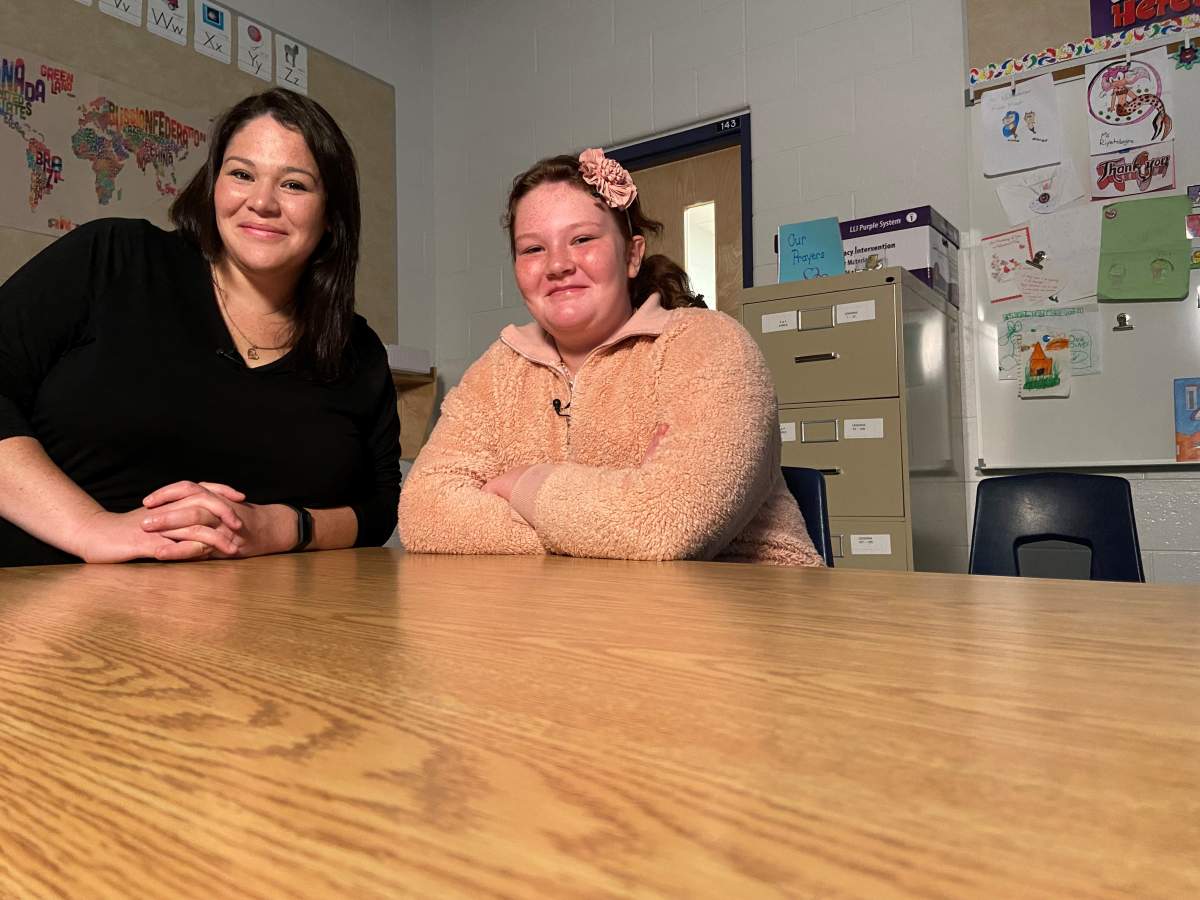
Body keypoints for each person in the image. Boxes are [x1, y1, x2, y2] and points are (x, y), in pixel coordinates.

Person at [0, 88, 400, 567]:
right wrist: (90, 527)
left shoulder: (358, 350)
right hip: (39, 607)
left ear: (331, 215)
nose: (261, 202)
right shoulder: (113, 257)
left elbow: (380, 509)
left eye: (294, 184)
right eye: (241, 174)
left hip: (255, 624)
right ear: (213, 186)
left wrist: (279, 526)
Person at [398, 149, 822, 566]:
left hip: (748, 615)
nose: (558, 264)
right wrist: (610, 516)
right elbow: (423, 513)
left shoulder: (710, 345)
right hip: (576, 618)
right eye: (532, 249)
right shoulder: (497, 370)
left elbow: (666, 524)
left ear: (632, 255)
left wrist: (523, 485)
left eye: (582, 239)